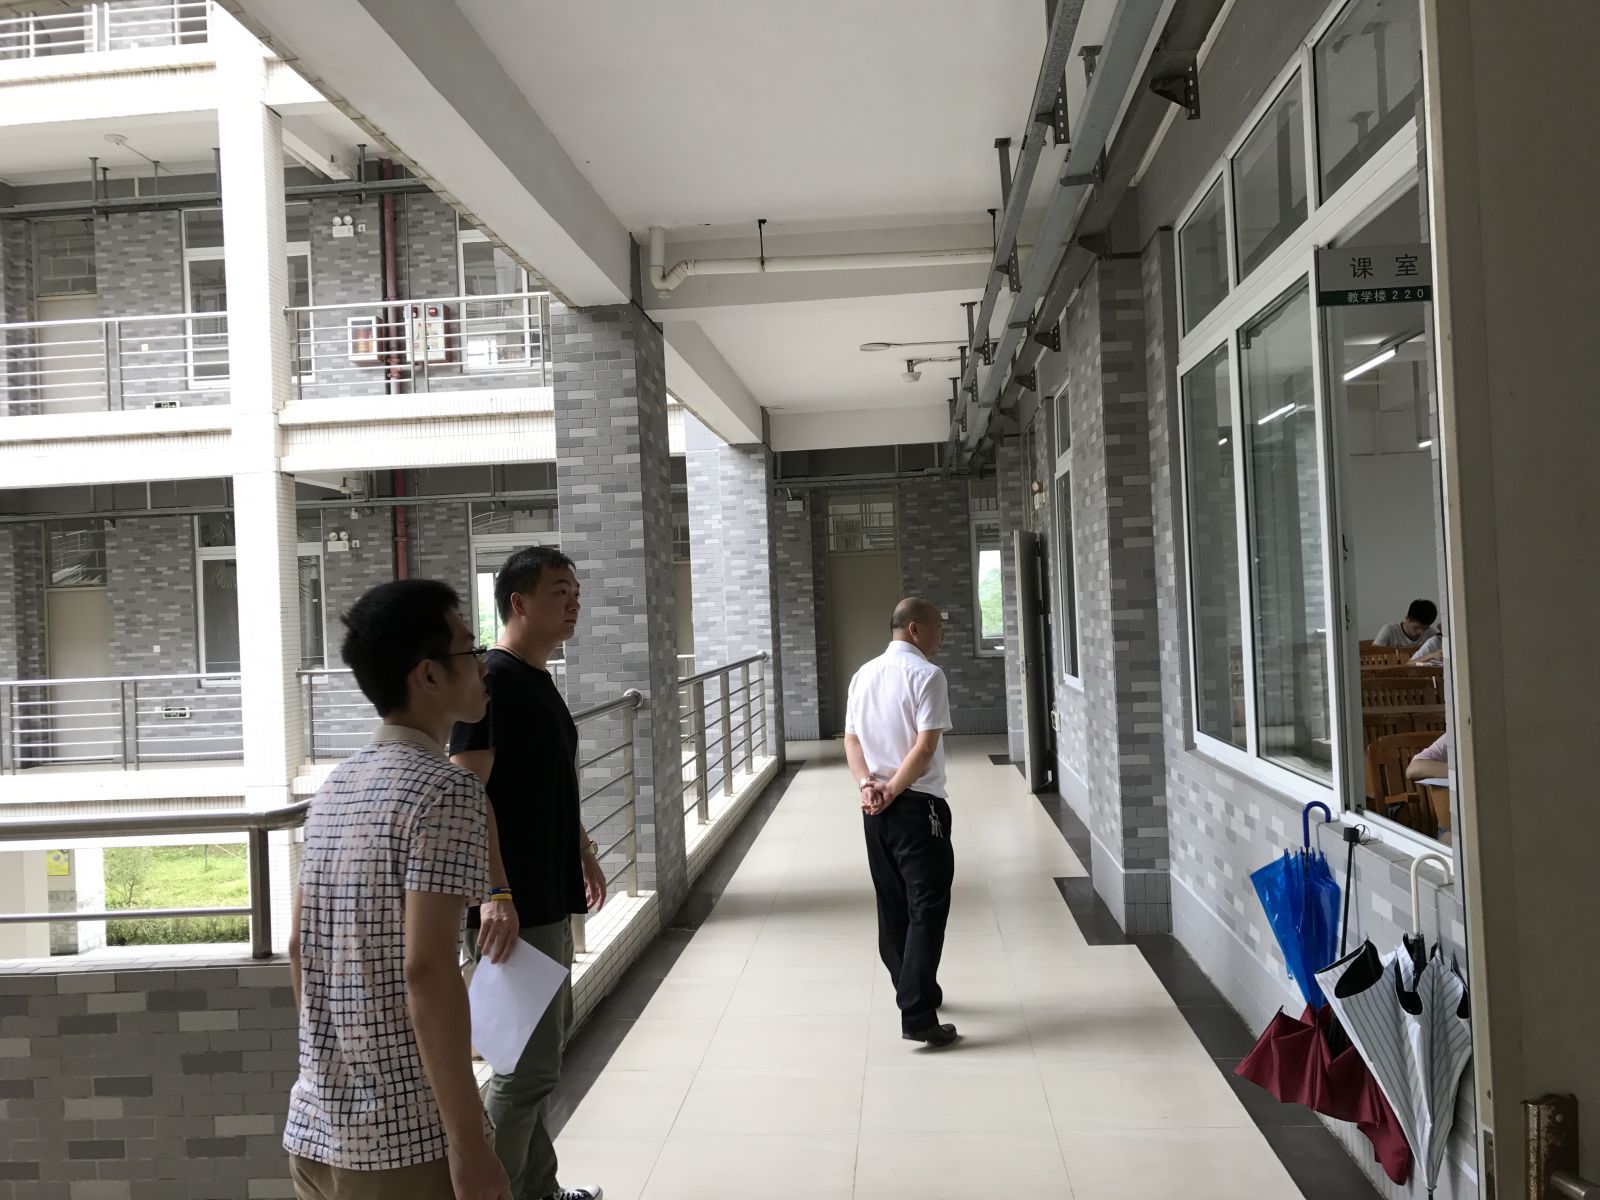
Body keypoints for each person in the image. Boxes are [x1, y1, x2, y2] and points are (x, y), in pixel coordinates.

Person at [284, 580, 510, 1200]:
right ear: (429, 675)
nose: (484, 664)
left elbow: (299, 948)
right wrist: (469, 1144)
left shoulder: (336, 785)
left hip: (315, 1130)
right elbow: (426, 969)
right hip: (404, 1143)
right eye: (470, 648)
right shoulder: (447, 790)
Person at [449, 546, 606, 1200]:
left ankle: (538, 1190)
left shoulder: (535, 678)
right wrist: (495, 892)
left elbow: (545, 783)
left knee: (536, 1058)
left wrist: (582, 848)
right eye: (559, 591)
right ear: (518, 602)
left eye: (576, 592)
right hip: (510, 907)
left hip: (543, 895)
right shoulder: (493, 681)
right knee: (524, 1071)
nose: (574, 603)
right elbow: (466, 791)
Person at [844, 597, 958, 1049]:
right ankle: (918, 1014)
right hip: (918, 808)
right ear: (914, 629)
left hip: (876, 811)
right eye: (937, 628)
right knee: (927, 907)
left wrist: (868, 786)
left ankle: (912, 987)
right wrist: (892, 789)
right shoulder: (927, 675)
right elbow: (925, 747)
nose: (942, 636)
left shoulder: (863, 674)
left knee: (892, 905)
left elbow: (852, 740)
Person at [1374, 599, 1439, 649]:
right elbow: (1374, 653)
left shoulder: (1431, 632)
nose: (1421, 632)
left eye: (1426, 628)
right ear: (1407, 619)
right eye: (1417, 627)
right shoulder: (1389, 630)